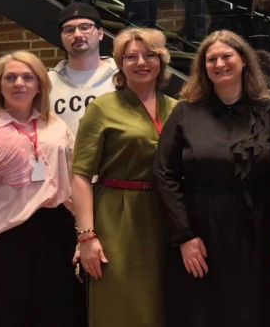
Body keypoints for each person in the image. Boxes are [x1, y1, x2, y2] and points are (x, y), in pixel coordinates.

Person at [153, 30, 270, 327]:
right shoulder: (185, 112)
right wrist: (184, 236)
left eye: (227, 56)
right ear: (203, 67)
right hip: (202, 230)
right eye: (211, 59)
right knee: (205, 311)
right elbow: (164, 173)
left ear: (243, 60)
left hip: (259, 230)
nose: (219, 64)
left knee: (257, 309)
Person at [0, 51, 76, 326]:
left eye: (27, 77)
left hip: (57, 235)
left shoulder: (55, 126)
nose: (19, 83)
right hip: (6, 240)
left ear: (39, 85)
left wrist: (84, 234)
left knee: (59, 315)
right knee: (5, 316)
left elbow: (72, 180)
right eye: (10, 78)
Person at [72, 27, 178, 327]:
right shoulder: (102, 108)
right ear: (120, 63)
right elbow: (80, 175)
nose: (141, 62)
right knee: (119, 301)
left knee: (164, 303)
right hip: (117, 217)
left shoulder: (178, 108)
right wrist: (86, 237)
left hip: (165, 215)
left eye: (149, 55)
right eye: (131, 57)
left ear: (161, 61)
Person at [49, 2, 117, 135]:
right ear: (61, 37)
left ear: (100, 33)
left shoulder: (122, 78)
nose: (77, 34)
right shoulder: (47, 82)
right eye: (69, 30)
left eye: (85, 27)